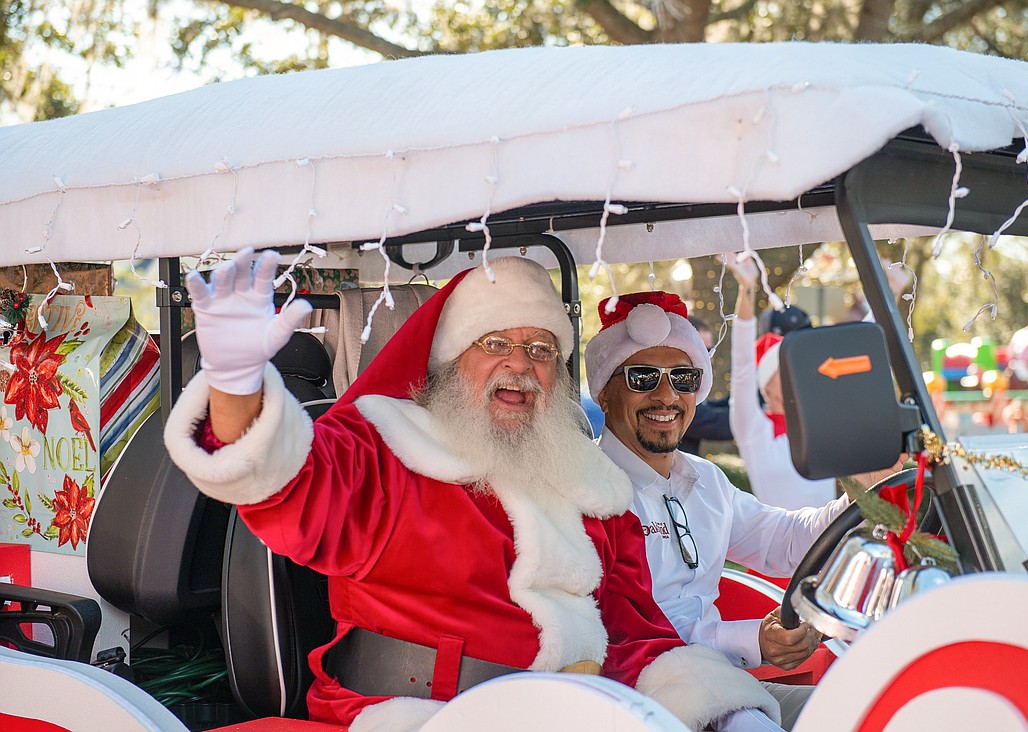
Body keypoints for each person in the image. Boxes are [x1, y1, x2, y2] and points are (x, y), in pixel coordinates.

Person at [163, 251, 780, 732]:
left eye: (541, 350)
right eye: (496, 344)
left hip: (574, 710)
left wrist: (723, 705)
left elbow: (632, 630)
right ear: (451, 358)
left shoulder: (591, 484)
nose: (521, 364)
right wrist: (237, 385)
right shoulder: (384, 445)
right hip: (415, 715)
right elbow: (285, 491)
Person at [584, 289, 858, 732]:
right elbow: (636, 636)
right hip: (641, 700)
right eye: (642, 377)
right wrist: (754, 639)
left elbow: (784, 542)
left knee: (869, 708)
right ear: (604, 391)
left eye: (683, 378)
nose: (666, 395)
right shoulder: (589, 489)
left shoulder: (706, 480)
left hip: (722, 688)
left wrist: (860, 499)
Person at [725, 257, 837, 509]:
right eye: (783, 373)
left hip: (831, 542)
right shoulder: (752, 427)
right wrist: (746, 288)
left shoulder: (818, 422)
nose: (794, 378)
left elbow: (858, 351)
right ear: (766, 385)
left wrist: (890, 291)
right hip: (778, 545)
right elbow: (742, 364)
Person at [679, 316, 733, 456]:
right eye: (705, 350)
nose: (711, 358)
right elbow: (716, 423)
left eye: (712, 350)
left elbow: (712, 408)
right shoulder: (677, 388)